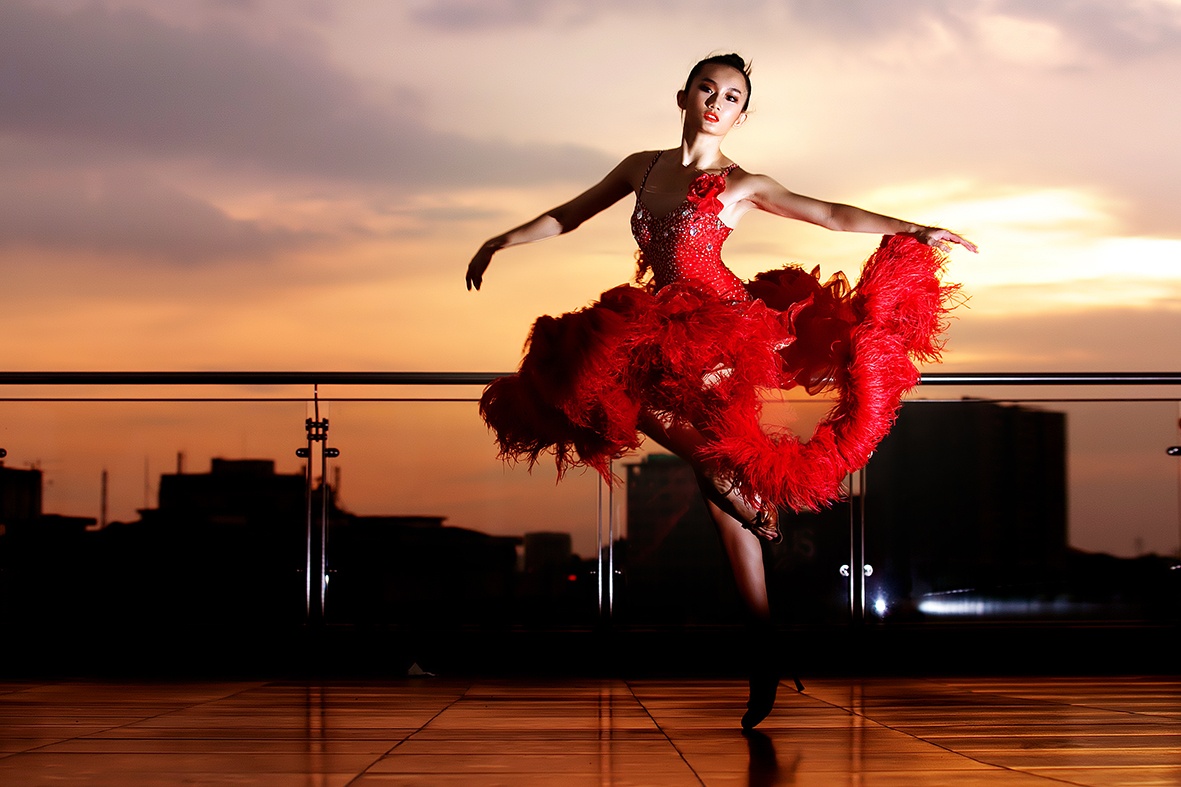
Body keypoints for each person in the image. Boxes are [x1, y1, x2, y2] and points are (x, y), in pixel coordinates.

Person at [466, 53, 976, 729]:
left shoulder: (739, 183)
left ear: (742, 114)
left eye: (732, 97)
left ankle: (754, 555)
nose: (716, 102)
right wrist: (500, 240)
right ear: (683, 95)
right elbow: (569, 215)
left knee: (700, 454)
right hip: (660, 327)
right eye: (707, 89)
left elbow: (827, 213)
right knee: (717, 496)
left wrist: (911, 228)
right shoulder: (641, 167)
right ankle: (765, 645)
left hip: (723, 333)